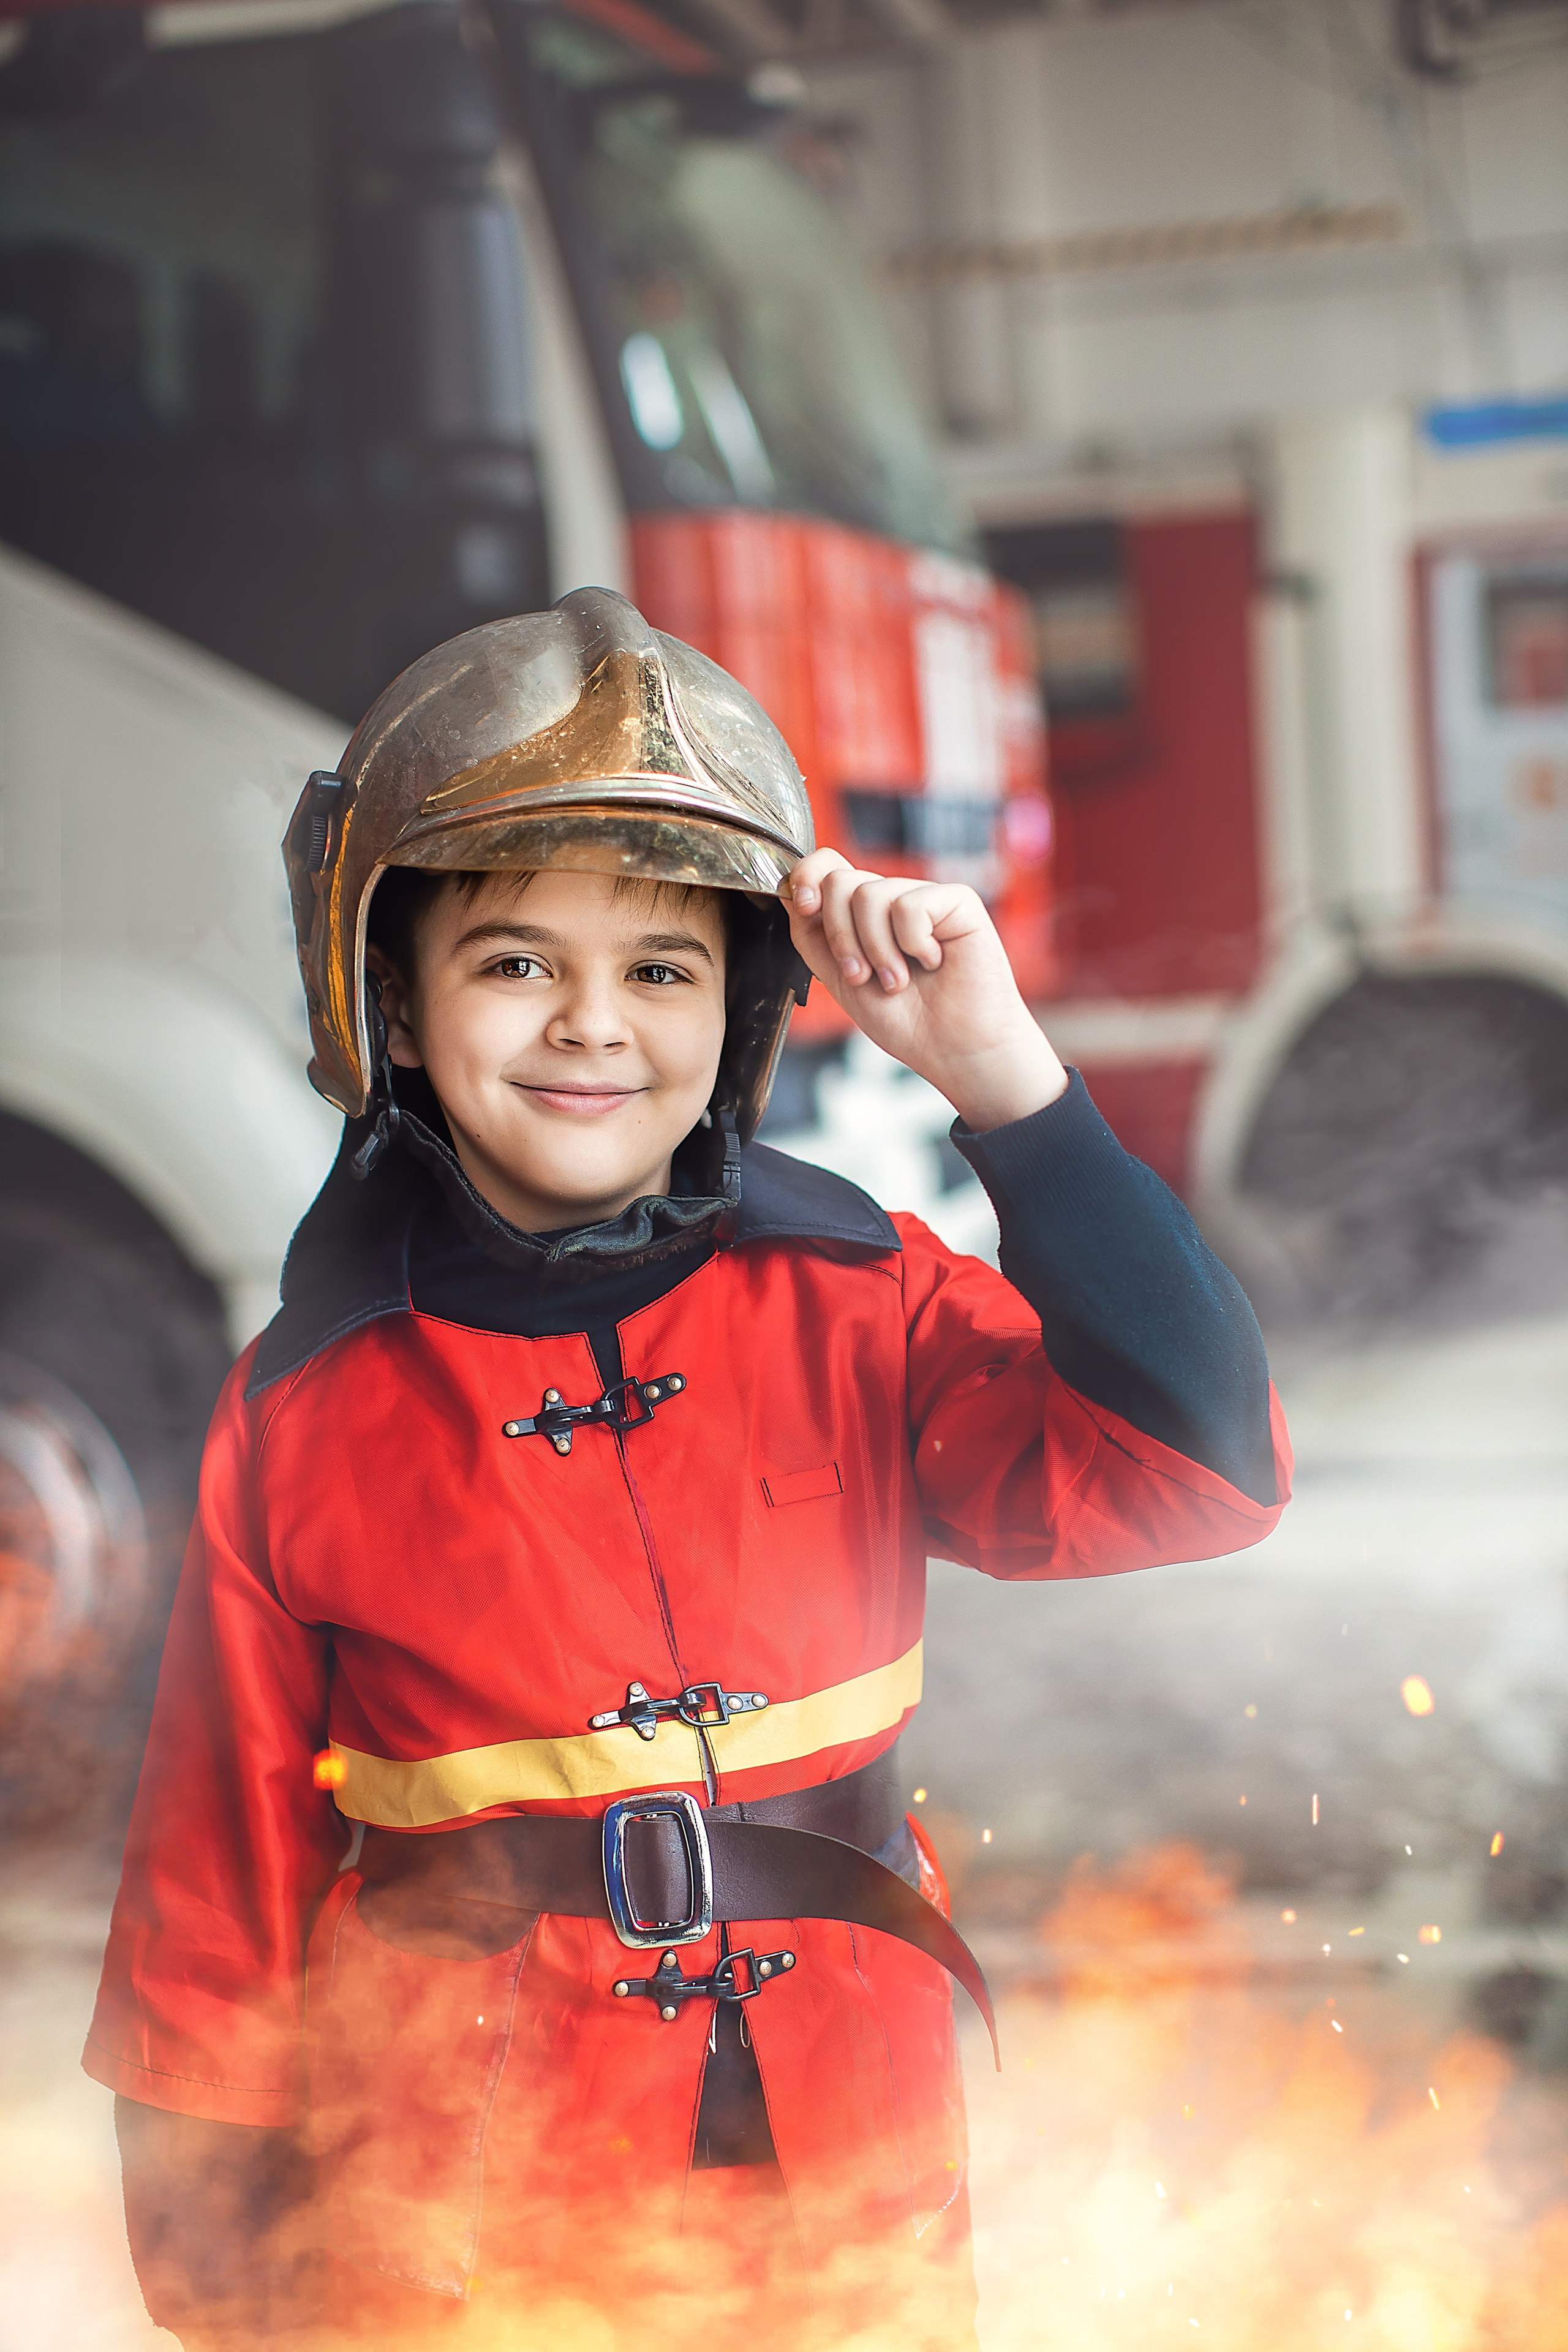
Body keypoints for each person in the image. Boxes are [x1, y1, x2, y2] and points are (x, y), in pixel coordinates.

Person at [86, 589, 1291, 2350]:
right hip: (465, 2171)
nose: (593, 1023)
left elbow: (1202, 1469)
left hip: (850, 2145)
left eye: (660, 967)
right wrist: (221, 2260)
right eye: (516, 963)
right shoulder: (306, 1405)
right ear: (397, 1009)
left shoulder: (864, 1297)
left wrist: (1009, 1087)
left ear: (738, 1010)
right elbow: (216, 1861)